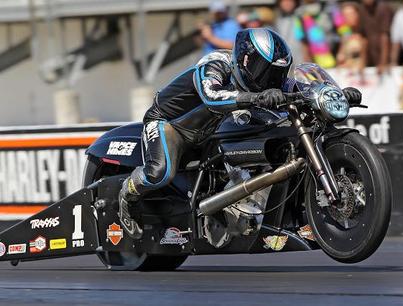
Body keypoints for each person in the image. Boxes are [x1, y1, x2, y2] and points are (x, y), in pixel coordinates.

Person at [118, 28, 362, 238]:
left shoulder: (271, 82)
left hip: (212, 130)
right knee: (160, 172)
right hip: (171, 124)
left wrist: (333, 93)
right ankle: (127, 195)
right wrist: (255, 97)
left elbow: (301, 88)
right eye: (264, 71)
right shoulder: (216, 64)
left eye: (276, 73)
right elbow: (212, 97)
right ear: (246, 60)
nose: (271, 79)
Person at [358, 0, 393, 73]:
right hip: (371, 55)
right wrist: (363, 62)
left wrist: (383, 62)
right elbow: (364, 38)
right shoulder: (361, 10)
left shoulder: (383, 8)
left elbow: (385, 37)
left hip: (386, 57)